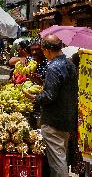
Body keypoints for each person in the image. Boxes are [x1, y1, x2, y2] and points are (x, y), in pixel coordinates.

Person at [25, 35, 78, 177]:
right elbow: (61, 89)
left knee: (57, 160)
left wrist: (35, 97)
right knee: (60, 154)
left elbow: (49, 96)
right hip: (66, 118)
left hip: (54, 120)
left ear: (47, 50)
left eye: (43, 50)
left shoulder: (53, 67)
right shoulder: (69, 64)